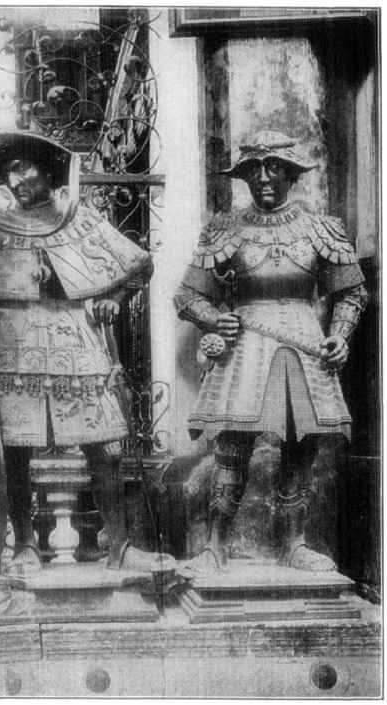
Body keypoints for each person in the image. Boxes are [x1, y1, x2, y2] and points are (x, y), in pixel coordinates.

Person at [0, 128, 170, 575]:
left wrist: (113, 298)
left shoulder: (79, 220)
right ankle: (25, 545)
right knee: (14, 451)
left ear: (48, 169)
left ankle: (120, 545)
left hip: (73, 336)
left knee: (105, 447)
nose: (15, 181)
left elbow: (138, 265)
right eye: (8, 173)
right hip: (7, 347)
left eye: (23, 168)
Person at [174, 130, 367, 572]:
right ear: (243, 176)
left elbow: (352, 292)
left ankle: (294, 543)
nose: (263, 177)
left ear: (291, 174)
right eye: (253, 169)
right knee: (232, 445)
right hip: (245, 346)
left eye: (274, 167)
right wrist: (213, 319)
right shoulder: (225, 229)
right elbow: (187, 295)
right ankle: (215, 545)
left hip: (303, 343)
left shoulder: (322, 228)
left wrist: (340, 335)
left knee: (301, 446)